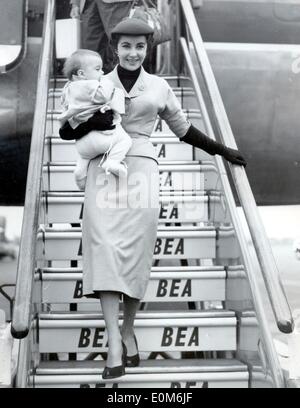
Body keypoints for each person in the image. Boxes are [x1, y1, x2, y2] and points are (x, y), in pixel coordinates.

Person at [61, 16, 246, 380]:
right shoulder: (95, 81)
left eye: (140, 46)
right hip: (104, 170)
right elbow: (67, 129)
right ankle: (114, 342)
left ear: (147, 49)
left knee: (134, 254)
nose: (133, 53)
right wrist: (89, 125)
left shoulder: (159, 86)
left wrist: (223, 150)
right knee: (103, 250)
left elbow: (183, 129)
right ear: (115, 50)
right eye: (126, 46)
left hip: (142, 173)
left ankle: (128, 329)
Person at [59, 49, 132, 189]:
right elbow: (103, 95)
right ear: (81, 74)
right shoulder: (88, 85)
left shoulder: (68, 89)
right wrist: (108, 82)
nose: (102, 73)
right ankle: (112, 162)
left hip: (83, 144)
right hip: (103, 138)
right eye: (98, 69)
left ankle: (80, 176)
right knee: (125, 140)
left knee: (83, 159)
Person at [69, 0, 134, 73]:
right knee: (90, 49)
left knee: (118, 41)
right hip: (88, 3)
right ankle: (95, 80)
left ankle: (126, 77)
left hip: (116, 3)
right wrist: (76, 4)